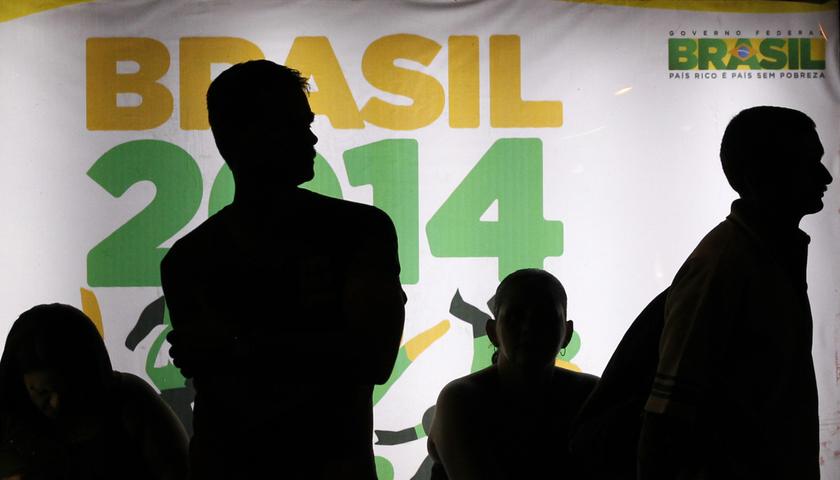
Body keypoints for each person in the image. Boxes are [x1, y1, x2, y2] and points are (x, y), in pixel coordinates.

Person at [160, 60, 406, 479]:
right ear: (247, 136)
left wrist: (239, 346)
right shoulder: (360, 231)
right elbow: (366, 357)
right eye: (295, 123)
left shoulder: (190, 258)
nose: (310, 136)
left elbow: (372, 358)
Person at [638, 106, 833, 479]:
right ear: (763, 173)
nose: (825, 175)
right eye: (808, 161)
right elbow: (665, 420)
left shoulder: (751, 257)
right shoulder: (727, 265)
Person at [427, 269, 598, 479]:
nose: (529, 327)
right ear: (492, 332)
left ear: (567, 333)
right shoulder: (591, 396)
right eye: (515, 317)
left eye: (544, 317)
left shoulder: (463, 399)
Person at [0, 304, 189, 480]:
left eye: (68, 388)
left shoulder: (132, 404)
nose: (57, 402)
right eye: (42, 393)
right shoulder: (15, 426)